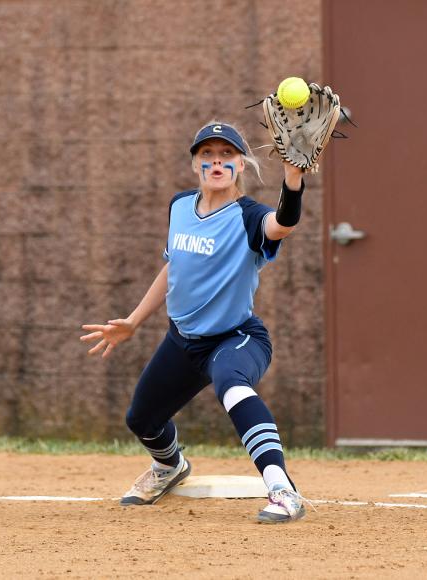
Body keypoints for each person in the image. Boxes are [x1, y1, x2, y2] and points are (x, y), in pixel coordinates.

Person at [80, 121, 309, 523]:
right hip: (183, 341)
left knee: (233, 388)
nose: (216, 162)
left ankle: (283, 490)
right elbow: (173, 269)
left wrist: (292, 179)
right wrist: (133, 321)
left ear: (241, 164)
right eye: (207, 155)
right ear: (195, 164)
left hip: (235, 338)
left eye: (226, 155)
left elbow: (283, 224)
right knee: (142, 418)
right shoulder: (180, 206)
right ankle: (170, 468)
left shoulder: (249, 216)